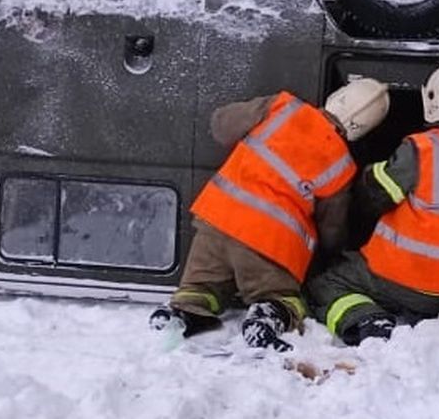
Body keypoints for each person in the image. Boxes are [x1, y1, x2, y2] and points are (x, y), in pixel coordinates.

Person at [150, 78, 390, 351]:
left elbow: (222, 125)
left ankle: (182, 312)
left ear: (338, 96)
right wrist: (330, 257)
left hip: (216, 220)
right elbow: (331, 231)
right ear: (364, 130)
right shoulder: (342, 166)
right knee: (282, 298)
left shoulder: (282, 106)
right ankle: (267, 316)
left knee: (203, 286)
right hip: (268, 246)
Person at [306, 62, 439, 346]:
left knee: (324, 284)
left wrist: (365, 176)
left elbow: (376, 196)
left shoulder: (422, 149)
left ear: (432, 100)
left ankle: (365, 320)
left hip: (408, 277)